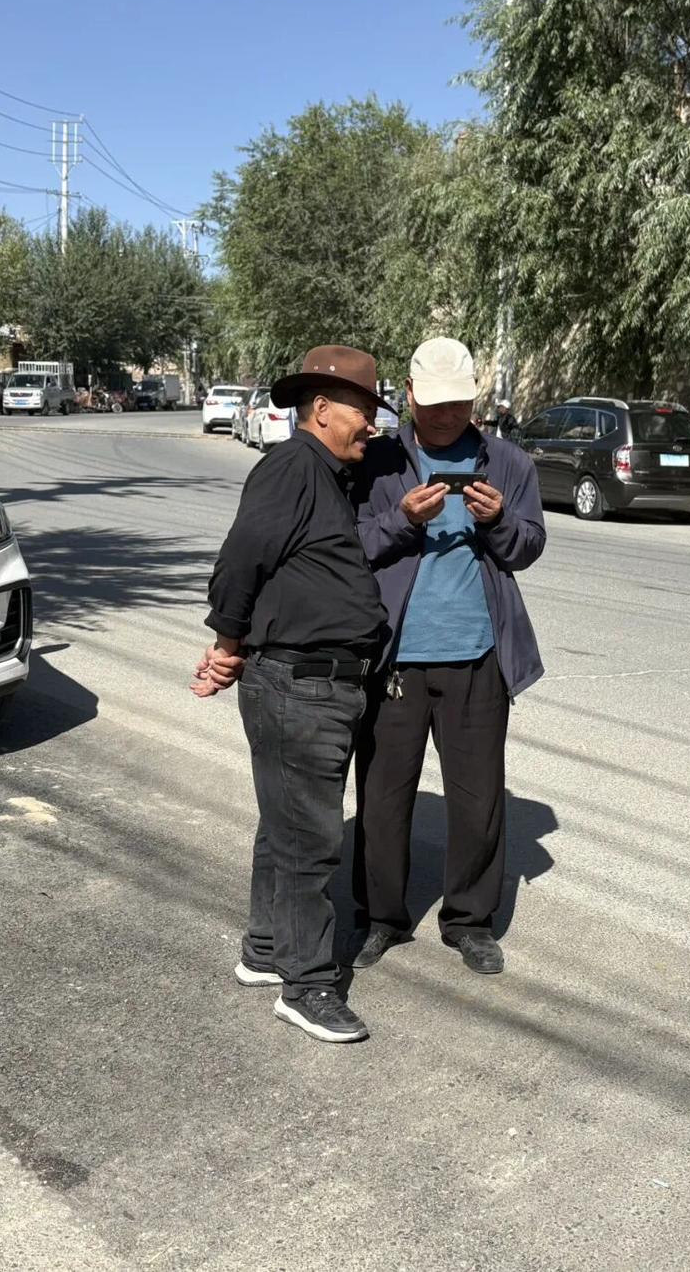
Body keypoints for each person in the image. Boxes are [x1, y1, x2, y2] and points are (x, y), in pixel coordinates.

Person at [191, 344, 393, 1044]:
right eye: (364, 411)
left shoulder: (326, 473)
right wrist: (227, 643)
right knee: (309, 835)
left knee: (285, 823)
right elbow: (240, 558)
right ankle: (307, 985)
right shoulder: (292, 467)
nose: (372, 425)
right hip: (300, 684)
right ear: (323, 409)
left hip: (314, 682)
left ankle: (265, 949)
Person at [349, 337, 545, 976]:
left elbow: (528, 546)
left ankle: (469, 921)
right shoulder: (377, 459)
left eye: (457, 404)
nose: (445, 416)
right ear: (408, 395)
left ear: (473, 397)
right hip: (394, 658)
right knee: (382, 798)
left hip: (477, 656)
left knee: (478, 800)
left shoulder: (507, 462)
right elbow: (349, 545)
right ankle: (381, 917)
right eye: (433, 404)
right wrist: (403, 519)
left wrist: (499, 521)